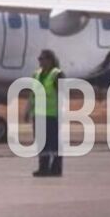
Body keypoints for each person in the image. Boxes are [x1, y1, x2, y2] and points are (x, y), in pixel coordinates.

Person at [32, 49, 64, 177]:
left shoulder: (57, 74)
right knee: (41, 143)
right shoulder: (36, 74)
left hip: (52, 114)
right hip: (38, 114)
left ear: (50, 60)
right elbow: (32, 94)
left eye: (42, 59)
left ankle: (56, 168)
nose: (40, 61)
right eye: (39, 59)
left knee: (53, 143)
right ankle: (43, 168)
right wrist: (28, 110)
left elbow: (62, 93)